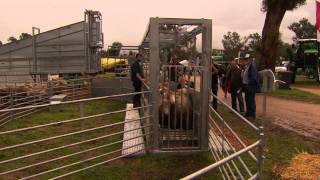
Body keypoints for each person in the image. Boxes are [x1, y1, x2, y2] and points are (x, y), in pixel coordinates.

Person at [239, 54, 259, 119]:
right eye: (245, 59)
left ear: (251, 59)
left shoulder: (252, 66)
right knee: (247, 100)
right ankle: (248, 113)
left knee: (251, 100)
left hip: (250, 86)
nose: (246, 60)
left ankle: (252, 114)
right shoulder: (247, 66)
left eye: (247, 59)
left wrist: (248, 84)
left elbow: (254, 78)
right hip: (246, 85)